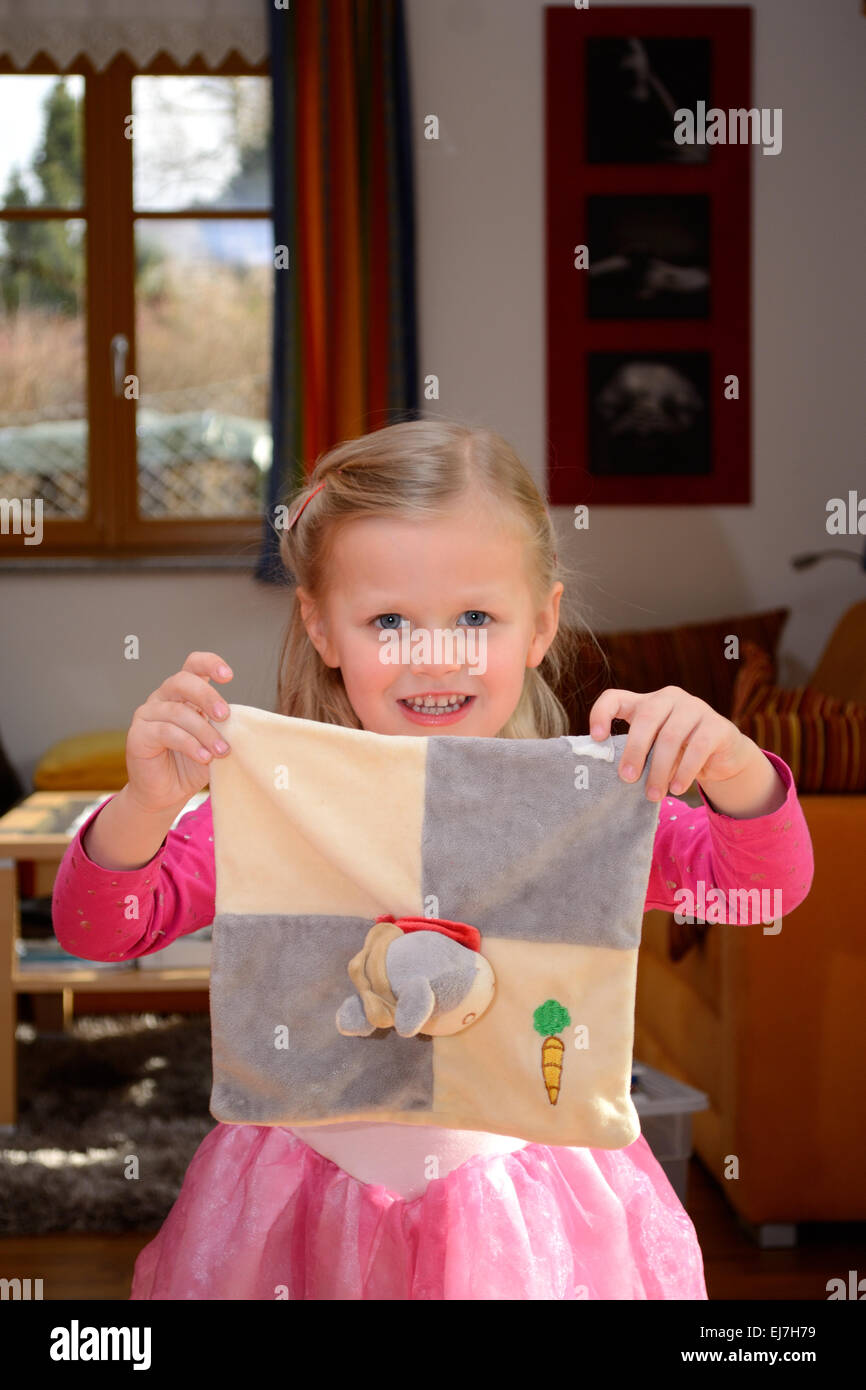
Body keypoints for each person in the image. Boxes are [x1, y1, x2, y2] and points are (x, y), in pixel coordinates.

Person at [52, 419, 814, 1300]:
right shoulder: (279, 808)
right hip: (298, 1213)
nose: (434, 653)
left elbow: (760, 891)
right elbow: (99, 932)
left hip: (529, 1226)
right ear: (322, 627)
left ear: (541, 625)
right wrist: (146, 803)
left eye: (476, 617)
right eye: (388, 620)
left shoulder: (582, 816)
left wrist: (738, 769)